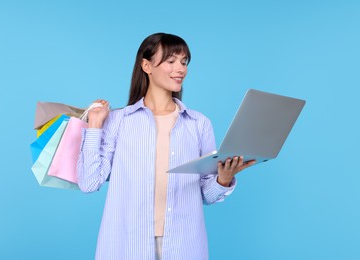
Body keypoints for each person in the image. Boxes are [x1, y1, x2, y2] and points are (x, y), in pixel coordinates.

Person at [77, 32, 256, 260]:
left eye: (184, 62)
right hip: (126, 244)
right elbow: (89, 182)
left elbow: (207, 195)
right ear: (147, 66)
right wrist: (94, 124)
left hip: (184, 245)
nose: (180, 69)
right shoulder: (118, 121)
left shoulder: (199, 124)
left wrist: (224, 179)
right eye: (171, 61)